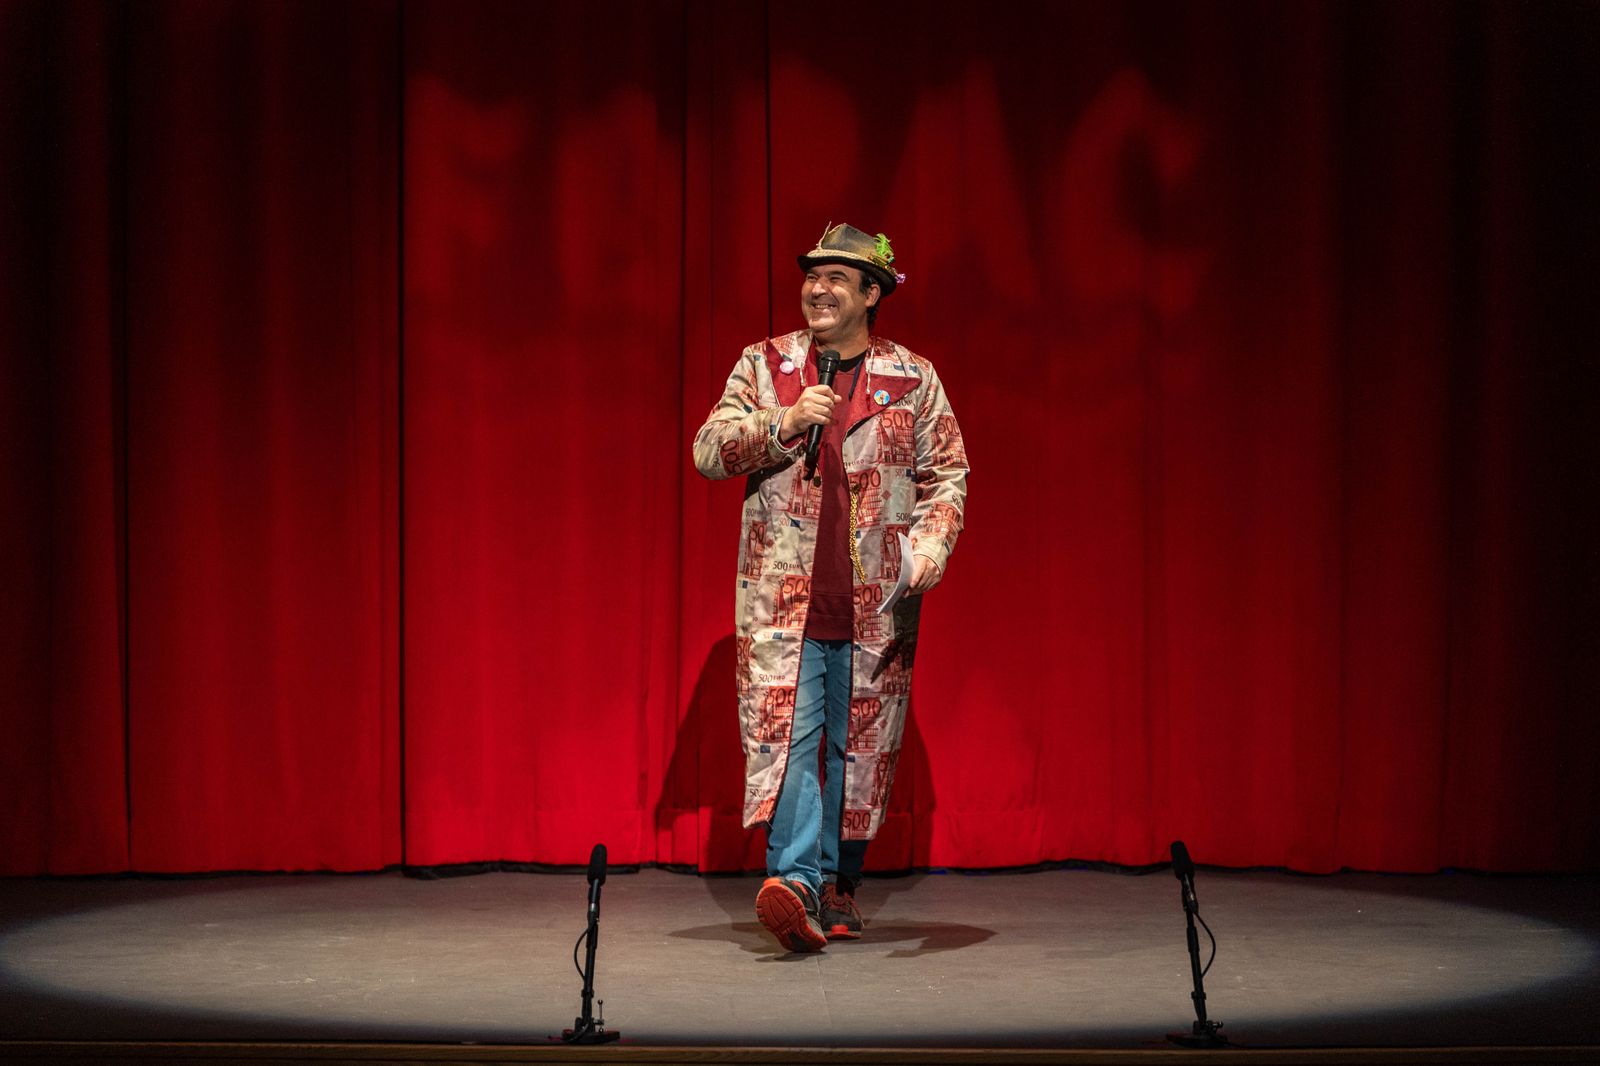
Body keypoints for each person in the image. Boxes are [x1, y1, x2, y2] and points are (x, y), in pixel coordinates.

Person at [692, 223, 969, 952]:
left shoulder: (913, 378)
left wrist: (932, 546)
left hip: (877, 605)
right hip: (784, 603)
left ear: (870, 294)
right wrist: (783, 421)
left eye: (836, 279)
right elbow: (708, 450)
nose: (817, 289)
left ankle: (839, 881)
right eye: (812, 277)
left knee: (859, 751)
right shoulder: (767, 364)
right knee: (791, 738)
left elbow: (949, 474)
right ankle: (795, 885)